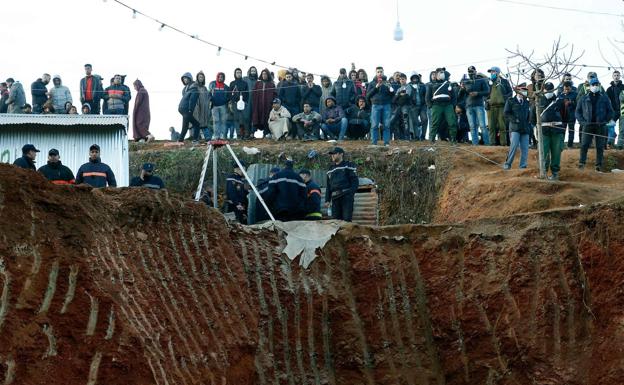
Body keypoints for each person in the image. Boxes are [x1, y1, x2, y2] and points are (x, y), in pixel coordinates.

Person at [576, 78, 614, 172]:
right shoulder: (584, 98)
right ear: (590, 86)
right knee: (584, 145)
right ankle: (582, 163)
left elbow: (610, 111)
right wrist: (582, 122)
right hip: (587, 125)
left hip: (600, 126)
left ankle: (599, 165)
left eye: (597, 84)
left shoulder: (604, 97)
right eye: (593, 84)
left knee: (600, 146)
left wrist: (605, 120)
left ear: (599, 85)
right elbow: (578, 111)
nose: (595, 86)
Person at [534, 82, 565, 180]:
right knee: (543, 151)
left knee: (556, 152)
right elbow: (532, 116)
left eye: (551, 89)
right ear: (544, 90)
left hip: (557, 130)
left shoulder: (559, 101)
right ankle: (543, 172)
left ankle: (555, 173)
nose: (549, 91)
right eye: (547, 90)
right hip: (544, 130)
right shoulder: (539, 101)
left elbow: (565, 115)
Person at [325, 147, 358, 222]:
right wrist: (327, 199)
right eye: (331, 154)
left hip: (346, 197)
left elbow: (355, 183)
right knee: (335, 221)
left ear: (341, 154)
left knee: (346, 220)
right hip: (335, 198)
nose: (332, 156)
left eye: (334, 154)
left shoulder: (348, 165)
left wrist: (350, 195)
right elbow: (328, 185)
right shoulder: (330, 169)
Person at [503, 83, 531, 170]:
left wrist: (529, 123)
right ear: (518, 91)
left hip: (525, 128)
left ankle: (523, 165)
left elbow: (529, 115)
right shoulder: (511, 101)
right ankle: (508, 163)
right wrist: (515, 119)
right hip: (515, 128)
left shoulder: (527, 102)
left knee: (525, 148)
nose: (524, 92)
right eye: (522, 90)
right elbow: (506, 113)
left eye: (525, 90)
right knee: (514, 145)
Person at [426, 67, 457, 143]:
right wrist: (430, 106)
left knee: (452, 122)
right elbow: (427, 97)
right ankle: (431, 140)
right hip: (436, 105)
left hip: (448, 105)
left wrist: (453, 106)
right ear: (436, 74)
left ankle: (453, 139)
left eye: (442, 72)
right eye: (439, 72)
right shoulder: (431, 85)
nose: (441, 74)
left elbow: (454, 96)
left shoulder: (449, 84)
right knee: (434, 123)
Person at [367, 67, 396, 146]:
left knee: (386, 125)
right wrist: (376, 87)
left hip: (386, 105)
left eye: (381, 72)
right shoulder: (372, 83)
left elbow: (393, 94)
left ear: (383, 72)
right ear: (376, 73)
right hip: (375, 105)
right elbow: (368, 95)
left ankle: (386, 143)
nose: (380, 73)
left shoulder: (387, 82)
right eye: (378, 72)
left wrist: (390, 88)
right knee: (374, 125)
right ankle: (374, 143)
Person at [463, 66, 490, 145]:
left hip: (479, 105)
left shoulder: (481, 80)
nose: (471, 72)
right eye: (469, 71)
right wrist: (462, 89)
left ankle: (487, 144)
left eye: (472, 71)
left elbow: (487, 91)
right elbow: (461, 95)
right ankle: (475, 145)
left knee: (482, 126)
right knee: (472, 126)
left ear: (475, 71)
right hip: (469, 106)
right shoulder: (466, 82)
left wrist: (477, 93)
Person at [486, 66, 513, 145]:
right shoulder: (488, 82)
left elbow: (510, 93)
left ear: (497, 73)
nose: (491, 73)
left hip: (502, 107)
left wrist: (504, 99)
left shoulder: (504, 81)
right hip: (491, 108)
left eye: (493, 72)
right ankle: (492, 143)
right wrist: (486, 100)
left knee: (502, 126)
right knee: (491, 127)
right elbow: (485, 93)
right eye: (491, 72)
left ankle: (503, 143)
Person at [251, 69, 277, 137]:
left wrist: (272, 104)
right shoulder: (258, 83)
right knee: (256, 118)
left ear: (268, 75)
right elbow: (254, 93)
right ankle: (252, 133)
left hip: (267, 105)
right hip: (258, 105)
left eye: (265, 74)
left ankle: (265, 133)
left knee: (266, 118)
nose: (264, 75)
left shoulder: (271, 84)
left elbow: (274, 95)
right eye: (263, 74)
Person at [178, 72, 200, 143]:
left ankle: (181, 140)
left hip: (182, 108)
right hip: (186, 109)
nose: (184, 80)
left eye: (186, 78)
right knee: (195, 124)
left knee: (186, 125)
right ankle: (195, 140)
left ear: (190, 79)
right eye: (183, 79)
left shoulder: (189, 88)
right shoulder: (193, 89)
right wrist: (190, 110)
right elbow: (192, 100)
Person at [230, 68, 250, 139]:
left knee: (245, 118)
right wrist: (233, 101)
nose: (238, 74)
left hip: (243, 103)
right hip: (235, 103)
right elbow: (230, 94)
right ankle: (238, 134)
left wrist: (246, 102)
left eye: (240, 72)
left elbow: (247, 93)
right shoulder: (232, 83)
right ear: (235, 74)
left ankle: (246, 134)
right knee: (236, 119)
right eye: (237, 72)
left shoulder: (245, 83)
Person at [209, 72, 230, 139]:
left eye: (222, 77)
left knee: (223, 121)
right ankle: (216, 136)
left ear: (223, 78)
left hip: (223, 106)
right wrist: (211, 99)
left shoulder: (226, 87)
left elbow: (229, 96)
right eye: (219, 77)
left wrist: (225, 100)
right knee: (216, 121)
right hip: (214, 106)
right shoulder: (212, 84)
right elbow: (209, 93)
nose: (220, 78)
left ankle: (223, 136)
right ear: (217, 77)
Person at [392, 73, 413, 140]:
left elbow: (407, 97)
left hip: (406, 106)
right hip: (399, 107)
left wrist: (399, 96)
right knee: (395, 121)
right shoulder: (399, 89)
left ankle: (407, 138)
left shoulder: (408, 87)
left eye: (403, 79)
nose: (401, 80)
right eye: (400, 79)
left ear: (406, 79)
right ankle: (399, 137)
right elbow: (393, 100)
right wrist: (399, 95)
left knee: (406, 121)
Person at [606, 71, 624, 148]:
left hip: (623, 111)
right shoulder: (609, 89)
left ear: (620, 76)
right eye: (615, 75)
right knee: (610, 126)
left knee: (622, 128)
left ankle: (620, 145)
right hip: (613, 111)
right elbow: (606, 100)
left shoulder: (623, 87)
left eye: (617, 75)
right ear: (612, 77)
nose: (616, 77)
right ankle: (610, 142)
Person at [557, 82, 578, 148]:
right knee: (562, 131)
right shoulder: (560, 95)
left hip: (572, 115)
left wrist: (571, 102)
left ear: (571, 88)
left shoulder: (575, 94)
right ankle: (561, 145)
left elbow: (578, 105)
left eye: (568, 89)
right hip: (563, 116)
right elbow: (557, 105)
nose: (566, 90)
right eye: (565, 89)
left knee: (571, 131)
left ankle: (570, 145)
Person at [407, 73, 427, 141]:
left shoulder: (422, 85)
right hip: (413, 106)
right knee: (415, 121)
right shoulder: (409, 86)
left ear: (418, 78)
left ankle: (423, 136)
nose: (415, 79)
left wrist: (425, 104)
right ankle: (416, 137)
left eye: (416, 78)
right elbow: (408, 96)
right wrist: (411, 104)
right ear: (411, 79)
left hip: (422, 106)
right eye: (413, 78)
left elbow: (426, 95)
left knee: (424, 119)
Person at [194, 71, 212, 141]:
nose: (201, 78)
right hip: (197, 107)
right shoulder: (194, 86)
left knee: (204, 122)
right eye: (200, 77)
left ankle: (207, 137)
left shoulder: (204, 88)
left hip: (204, 108)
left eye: (202, 77)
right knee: (197, 122)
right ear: (197, 78)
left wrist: (210, 95)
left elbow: (208, 97)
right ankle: (196, 137)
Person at [242, 67, 258, 138]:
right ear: (249, 71)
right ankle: (246, 133)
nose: (253, 72)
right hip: (247, 100)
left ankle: (252, 133)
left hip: (255, 100)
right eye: (252, 70)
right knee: (246, 117)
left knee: (254, 117)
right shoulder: (245, 79)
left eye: (254, 71)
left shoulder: (257, 81)